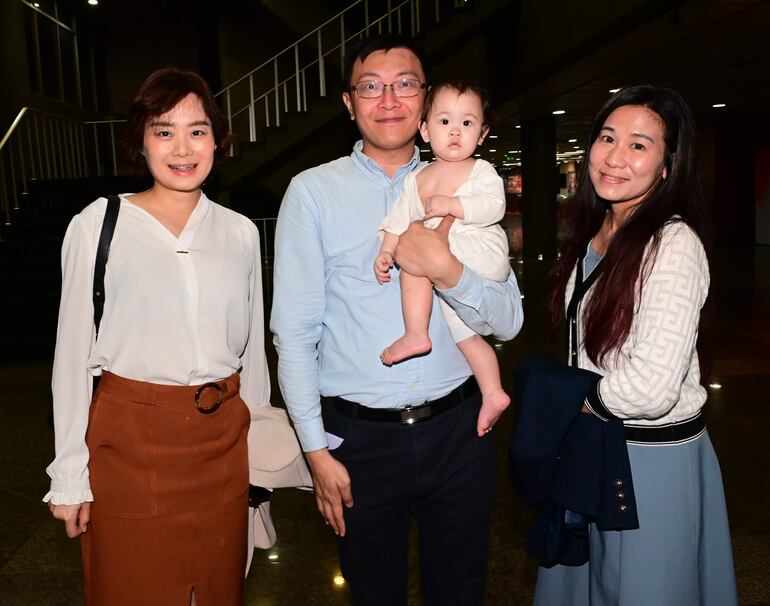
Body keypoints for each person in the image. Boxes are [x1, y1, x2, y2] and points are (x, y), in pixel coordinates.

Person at [271, 35, 523, 606]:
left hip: (461, 431)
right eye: (371, 86)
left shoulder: (468, 183)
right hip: (359, 444)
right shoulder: (312, 193)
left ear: (427, 100)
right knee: (373, 594)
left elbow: (509, 321)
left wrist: (450, 272)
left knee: (461, 592)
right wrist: (316, 453)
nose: (388, 99)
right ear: (348, 102)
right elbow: (294, 335)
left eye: (405, 84)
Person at [44, 67, 271, 606]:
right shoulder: (99, 224)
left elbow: (252, 353)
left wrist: (260, 457)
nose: (182, 147)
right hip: (130, 442)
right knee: (130, 588)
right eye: (163, 130)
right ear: (140, 143)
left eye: (197, 130)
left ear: (218, 139)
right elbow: (72, 355)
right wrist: (71, 475)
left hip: (223, 443)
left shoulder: (240, 232)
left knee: (218, 591)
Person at [536, 84, 737, 605]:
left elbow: (651, 387)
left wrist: (568, 403)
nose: (615, 157)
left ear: (667, 166)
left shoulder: (672, 243)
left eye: (639, 145)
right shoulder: (596, 231)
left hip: (650, 462)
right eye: (607, 138)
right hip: (597, 446)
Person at [375, 79, 511, 436]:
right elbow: (398, 219)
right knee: (464, 334)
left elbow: (494, 206)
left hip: (479, 248)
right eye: (444, 121)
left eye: (467, 123)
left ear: (482, 134)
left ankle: (416, 331)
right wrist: (386, 251)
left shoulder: (480, 171)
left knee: (416, 254)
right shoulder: (418, 178)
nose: (456, 131)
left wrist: (454, 206)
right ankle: (493, 391)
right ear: (424, 130)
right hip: (448, 265)